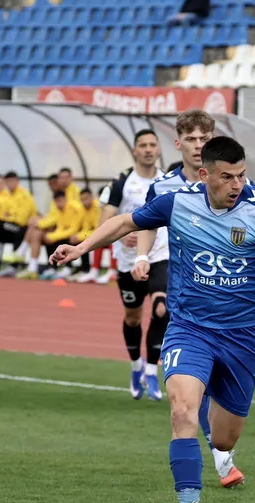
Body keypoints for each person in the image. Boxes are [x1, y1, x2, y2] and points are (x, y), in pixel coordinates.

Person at [49, 136, 255, 503]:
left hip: (241, 338)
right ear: (204, 174)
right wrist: (81, 247)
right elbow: (126, 222)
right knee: (182, 411)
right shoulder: (179, 202)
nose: (237, 185)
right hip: (189, 329)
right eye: (227, 177)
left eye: (241, 175)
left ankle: (211, 398)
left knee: (224, 439)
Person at [134, 111, 246, 489]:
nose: (199, 145)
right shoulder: (165, 187)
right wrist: (142, 256)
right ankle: (220, 458)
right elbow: (145, 223)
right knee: (189, 366)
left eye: (205, 138)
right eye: (193, 139)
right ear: (179, 143)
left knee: (214, 377)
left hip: (221, 288)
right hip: (177, 275)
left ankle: (219, 447)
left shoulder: (232, 182)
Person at [96, 129, 166, 400]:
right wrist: (123, 234)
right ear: (134, 150)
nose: (148, 149)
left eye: (152, 145)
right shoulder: (121, 182)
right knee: (133, 318)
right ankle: (136, 366)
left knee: (162, 309)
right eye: (143, 145)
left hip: (160, 256)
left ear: (158, 149)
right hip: (128, 263)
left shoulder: (168, 180)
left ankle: (151, 370)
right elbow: (104, 223)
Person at [15, 189, 82, 280]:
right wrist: (50, 235)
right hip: (65, 233)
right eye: (56, 202)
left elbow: (73, 229)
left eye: (60, 201)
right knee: (39, 233)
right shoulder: (58, 209)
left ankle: (24, 254)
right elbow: (59, 225)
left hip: (77, 234)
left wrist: (51, 236)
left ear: (65, 199)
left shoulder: (74, 208)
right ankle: (35, 267)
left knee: (42, 232)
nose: (58, 204)